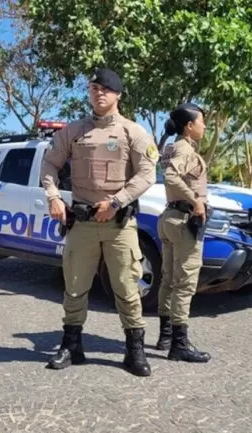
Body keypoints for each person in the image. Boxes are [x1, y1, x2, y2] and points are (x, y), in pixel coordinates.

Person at [40, 67, 158, 377]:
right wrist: (53, 196)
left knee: (127, 287)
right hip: (82, 223)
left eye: (105, 89)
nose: (99, 93)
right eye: (93, 88)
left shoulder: (134, 132)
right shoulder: (74, 131)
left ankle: (134, 350)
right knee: (75, 287)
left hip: (119, 224)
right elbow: (49, 164)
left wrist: (117, 201)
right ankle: (71, 345)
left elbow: (147, 175)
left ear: (118, 94)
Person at [154, 102, 212, 363]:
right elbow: (171, 176)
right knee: (184, 283)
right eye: (202, 121)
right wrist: (195, 201)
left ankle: (165, 336)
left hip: (169, 217)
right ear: (189, 126)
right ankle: (179, 344)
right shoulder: (184, 149)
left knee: (168, 279)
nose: (205, 126)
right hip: (184, 220)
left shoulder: (171, 146)